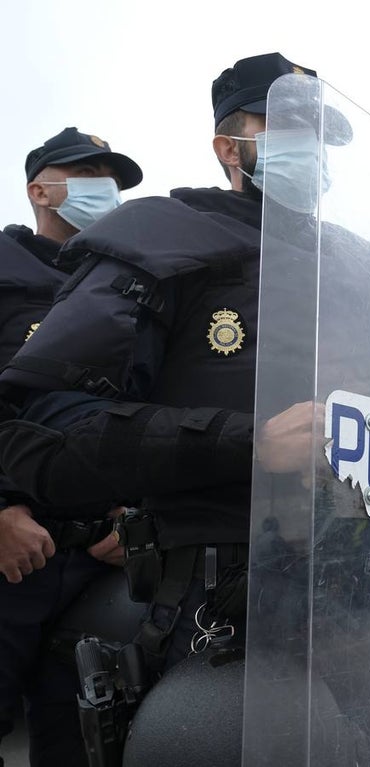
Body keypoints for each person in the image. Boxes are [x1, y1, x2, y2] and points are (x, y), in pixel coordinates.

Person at [0, 53, 370, 763]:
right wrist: (248, 444)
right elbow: (43, 427)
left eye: (323, 134)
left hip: (346, 607)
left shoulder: (358, 267)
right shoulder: (161, 242)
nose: (314, 150)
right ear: (230, 147)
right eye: (292, 126)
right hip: (210, 607)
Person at [0, 127, 142, 767]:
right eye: (85, 173)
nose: (104, 190)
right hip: (11, 551)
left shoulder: (128, 283)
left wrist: (137, 510)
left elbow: (145, 409)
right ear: (39, 189)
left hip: (99, 556)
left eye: (110, 178)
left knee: (83, 739)